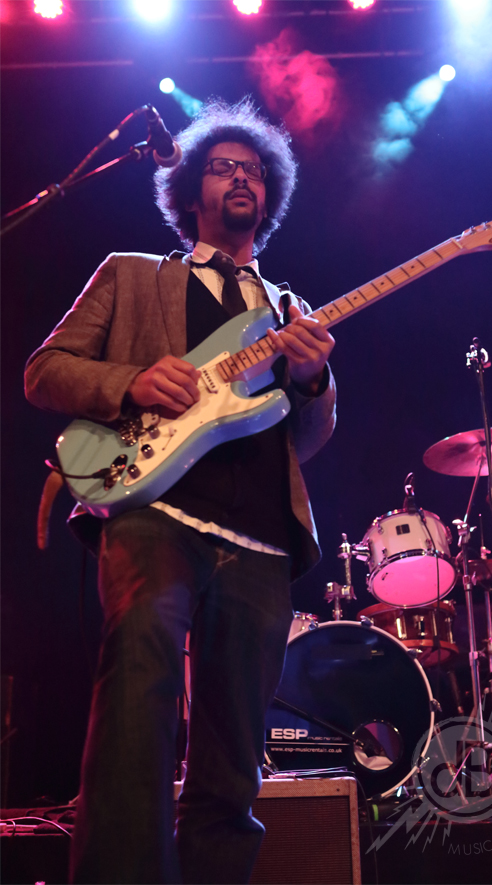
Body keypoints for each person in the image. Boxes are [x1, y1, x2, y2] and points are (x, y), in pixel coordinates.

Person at [25, 99, 336, 885]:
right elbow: (44, 372)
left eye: (255, 170)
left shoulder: (289, 311)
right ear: (192, 189)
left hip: (261, 538)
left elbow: (306, 439)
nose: (242, 177)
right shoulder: (130, 274)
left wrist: (313, 377)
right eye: (225, 167)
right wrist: (131, 380)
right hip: (154, 513)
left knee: (234, 758)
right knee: (139, 685)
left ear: (271, 193)